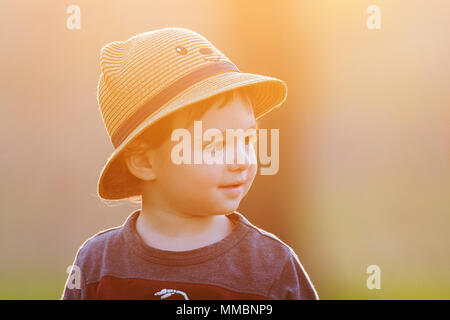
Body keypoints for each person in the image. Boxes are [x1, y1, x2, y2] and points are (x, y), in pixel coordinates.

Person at [61, 27, 318, 300]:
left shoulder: (270, 268)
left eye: (246, 139)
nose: (241, 161)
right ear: (144, 161)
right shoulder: (99, 267)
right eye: (215, 144)